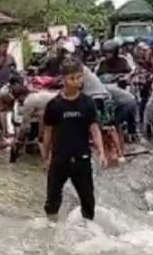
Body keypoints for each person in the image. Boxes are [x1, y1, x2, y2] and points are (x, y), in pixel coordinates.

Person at [42, 58, 107, 221]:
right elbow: (48, 133)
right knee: (52, 201)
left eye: (79, 77)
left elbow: (94, 129)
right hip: (59, 159)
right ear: (63, 79)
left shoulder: (88, 103)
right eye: (72, 78)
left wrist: (102, 152)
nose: (77, 81)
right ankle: (51, 230)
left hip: (81, 159)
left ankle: (89, 234)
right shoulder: (54, 105)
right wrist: (45, 157)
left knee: (88, 202)